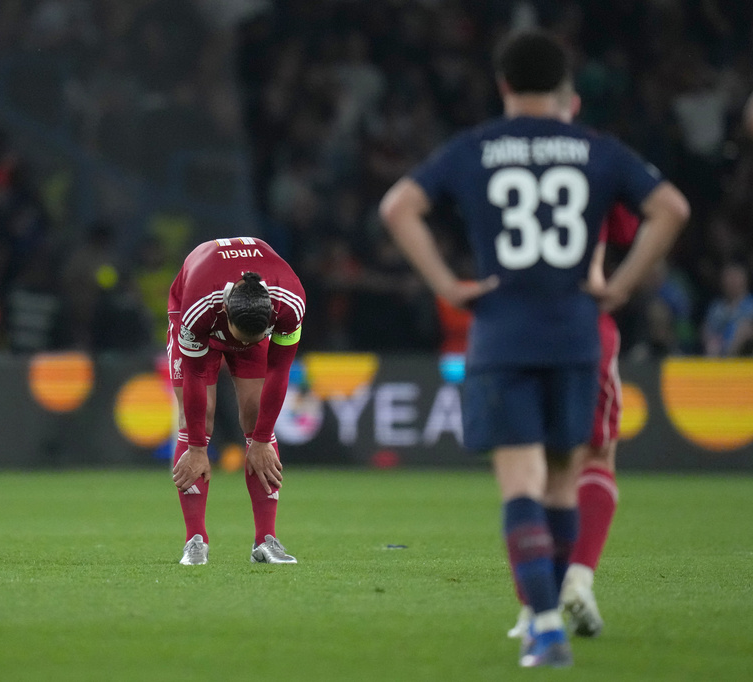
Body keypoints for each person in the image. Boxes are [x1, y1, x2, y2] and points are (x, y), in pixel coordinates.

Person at [379, 30, 689, 668]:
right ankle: (559, 597)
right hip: (577, 333)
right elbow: (673, 209)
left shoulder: (477, 148)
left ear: (502, 85)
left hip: (502, 333)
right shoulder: (597, 151)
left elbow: (398, 206)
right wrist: (622, 286)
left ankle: (544, 625)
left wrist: (447, 285)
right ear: (565, 89)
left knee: (519, 484)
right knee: (562, 484)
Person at [507, 203, 641, 641]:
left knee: (529, 470)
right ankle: (578, 580)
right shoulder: (598, 161)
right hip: (584, 320)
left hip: (519, 325)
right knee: (596, 455)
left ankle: (532, 611)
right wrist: (617, 288)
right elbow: (653, 217)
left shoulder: (496, 160)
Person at [168, 237, 305, 566]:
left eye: (254, 340)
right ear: (228, 312)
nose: (244, 346)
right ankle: (195, 540)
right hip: (202, 322)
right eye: (242, 339)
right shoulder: (199, 306)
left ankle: (265, 541)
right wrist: (199, 448)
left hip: (243, 316)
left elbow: (280, 371)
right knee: (197, 419)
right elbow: (196, 376)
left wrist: (260, 440)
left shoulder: (291, 303)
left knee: (256, 415)